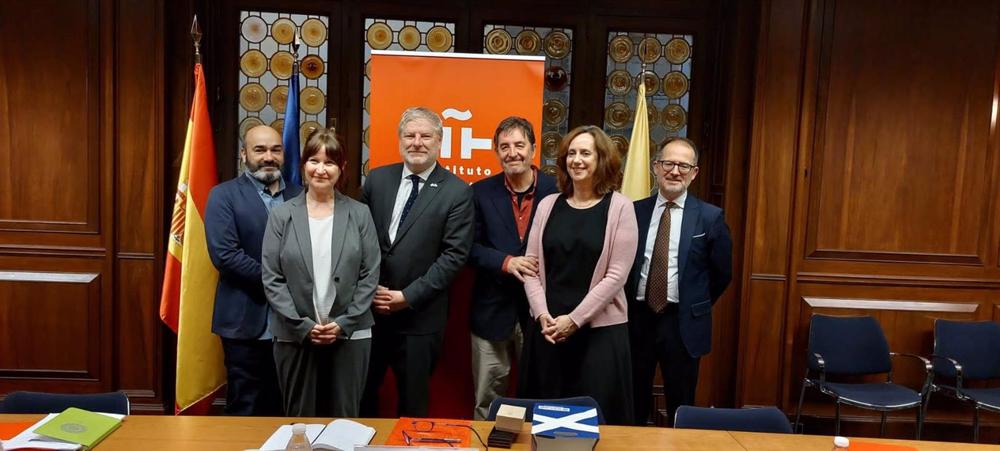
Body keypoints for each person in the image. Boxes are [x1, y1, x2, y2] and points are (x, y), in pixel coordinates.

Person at [359, 107, 475, 417]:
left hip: (419, 318)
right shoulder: (377, 179)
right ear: (400, 140)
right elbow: (358, 239)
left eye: (426, 136)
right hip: (369, 312)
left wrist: (407, 297)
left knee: (413, 404)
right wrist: (369, 290)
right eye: (410, 135)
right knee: (361, 396)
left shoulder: (457, 191)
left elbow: (453, 257)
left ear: (439, 142)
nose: (417, 142)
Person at [520, 125, 638, 425]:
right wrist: (541, 314)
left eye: (586, 153)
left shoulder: (620, 207)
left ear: (602, 160)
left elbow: (616, 276)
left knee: (594, 426)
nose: (577, 160)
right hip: (549, 333)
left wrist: (574, 320)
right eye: (571, 153)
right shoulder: (548, 205)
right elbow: (531, 267)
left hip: (599, 336)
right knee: (544, 425)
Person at [261, 129, 380, 417]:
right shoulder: (282, 215)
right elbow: (271, 276)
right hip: (294, 332)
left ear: (342, 169)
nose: (321, 169)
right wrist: (302, 325)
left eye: (330, 163)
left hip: (351, 332)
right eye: (314, 160)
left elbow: (370, 273)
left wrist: (344, 322)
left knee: (345, 416)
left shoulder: (360, 213)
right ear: (303, 166)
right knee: (299, 417)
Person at [626, 137, 733, 426]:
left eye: (683, 166)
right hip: (637, 319)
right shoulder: (634, 211)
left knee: (681, 402)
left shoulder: (710, 217)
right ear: (655, 167)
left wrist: (693, 301)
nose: (675, 171)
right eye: (669, 164)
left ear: (694, 172)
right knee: (632, 399)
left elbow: (722, 274)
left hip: (682, 322)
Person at [205, 125, 301, 416]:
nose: (268, 157)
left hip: (295, 323)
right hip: (244, 323)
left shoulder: (301, 195)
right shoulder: (223, 196)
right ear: (244, 154)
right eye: (259, 150)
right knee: (245, 407)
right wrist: (278, 285)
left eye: (275, 149)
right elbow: (226, 256)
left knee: (288, 408)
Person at [467, 116, 558, 420]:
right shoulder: (480, 192)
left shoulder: (557, 190)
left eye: (519, 145)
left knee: (543, 395)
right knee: (487, 400)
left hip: (544, 314)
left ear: (533, 149)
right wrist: (505, 262)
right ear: (496, 151)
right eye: (504, 147)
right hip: (492, 311)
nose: (512, 152)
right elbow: (467, 249)